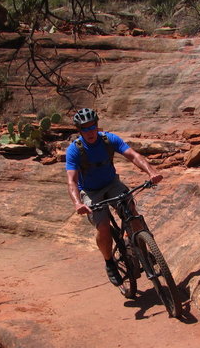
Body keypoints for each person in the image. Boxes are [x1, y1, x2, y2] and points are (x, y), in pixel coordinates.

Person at [66, 108, 163, 285]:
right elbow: (71, 181)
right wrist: (77, 203)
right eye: (85, 129)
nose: (90, 132)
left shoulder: (108, 139)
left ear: (97, 125)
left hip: (112, 184)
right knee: (103, 227)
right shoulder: (74, 150)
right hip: (90, 192)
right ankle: (109, 262)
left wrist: (151, 172)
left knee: (131, 211)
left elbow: (133, 155)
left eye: (92, 127)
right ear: (79, 131)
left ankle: (135, 244)